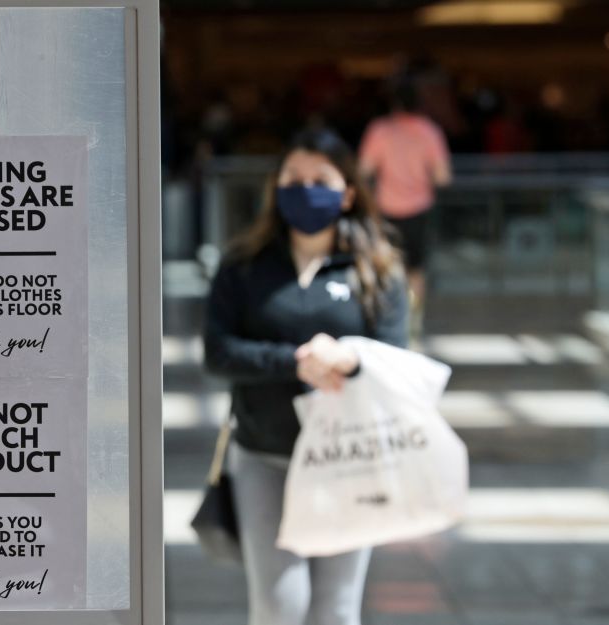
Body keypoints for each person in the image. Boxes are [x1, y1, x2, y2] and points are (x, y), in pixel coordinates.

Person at [204, 129, 408, 625]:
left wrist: (346, 359)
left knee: (336, 611)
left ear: (348, 192)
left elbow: (394, 358)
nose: (306, 188)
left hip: (347, 457)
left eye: (321, 178)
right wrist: (294, 362)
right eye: (294, 178)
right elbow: (219, 352)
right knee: (279, 605)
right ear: (276, 189)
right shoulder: (244, 265)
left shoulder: (375, 271)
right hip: (263, 456)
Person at [358, 81, 450, 338]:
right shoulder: (429, 132)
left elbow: (363, 170)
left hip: (385, 207)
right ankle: (412, 320)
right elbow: (443, 177)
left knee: (385, 265)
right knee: (416, 270)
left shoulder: (379, 130)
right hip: (419, 208)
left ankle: (387, 317)